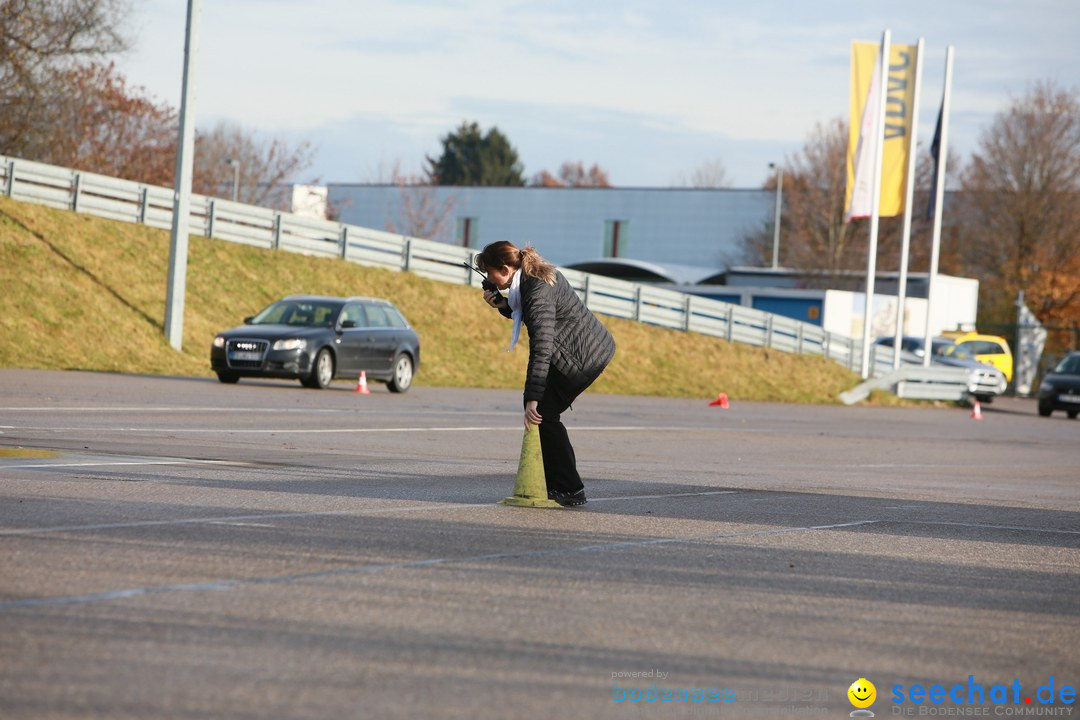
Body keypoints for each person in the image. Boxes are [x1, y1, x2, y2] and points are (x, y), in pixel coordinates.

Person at [476, 241, 616, 507]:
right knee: (545, 413)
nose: (488, 279)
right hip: (578, 349)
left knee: (544, 412)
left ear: (505, 269)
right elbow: (533, 315)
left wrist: (532, 397)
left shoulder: (536, 289)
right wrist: (504, 306)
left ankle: (569, 489)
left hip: (584, 356)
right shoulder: (529, 279)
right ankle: (560, 484)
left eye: (490, 273)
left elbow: (542, 345)